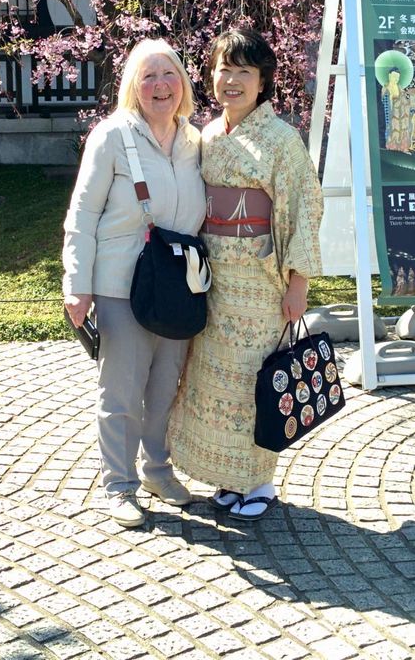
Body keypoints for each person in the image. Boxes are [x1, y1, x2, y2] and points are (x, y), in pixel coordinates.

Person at [168, 28, 323, 521]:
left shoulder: (281, 140)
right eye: (223, 69)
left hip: (260, 280)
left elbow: (304, 208)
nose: (231, 80)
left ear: (263, 82)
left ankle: (260, 480)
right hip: (213, 277)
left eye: (244, 72)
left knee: (256, 380)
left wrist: (298, 283)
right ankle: (230, 479)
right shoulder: (208, 136)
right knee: (216, 381)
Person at [62, 38, 206, 527]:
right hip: (121, 285)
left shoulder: (194, 140)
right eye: (148, 76)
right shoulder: (112, 136)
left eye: (168, 74)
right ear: (132, 86)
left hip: (179, 286)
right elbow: (82, 213)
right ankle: (118, 484)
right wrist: (77, 282)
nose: (160, 85)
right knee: (121, 389)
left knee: (166, 386)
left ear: (182, 83)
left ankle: (157, 470)